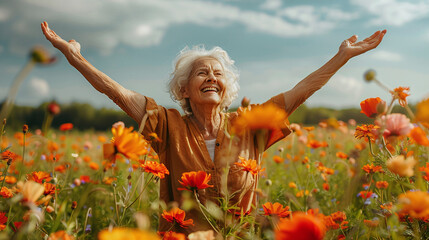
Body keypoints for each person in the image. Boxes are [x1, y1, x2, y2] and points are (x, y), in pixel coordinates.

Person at [41, 21, 386, 234]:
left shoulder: (250, 124)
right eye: (201, 73)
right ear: (184, 89)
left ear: (226, 88)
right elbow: (115, 91)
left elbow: (303, 90)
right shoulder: (166, 124)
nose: (211, 77)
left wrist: (343, 56)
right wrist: (75, 57)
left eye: (218, 73)